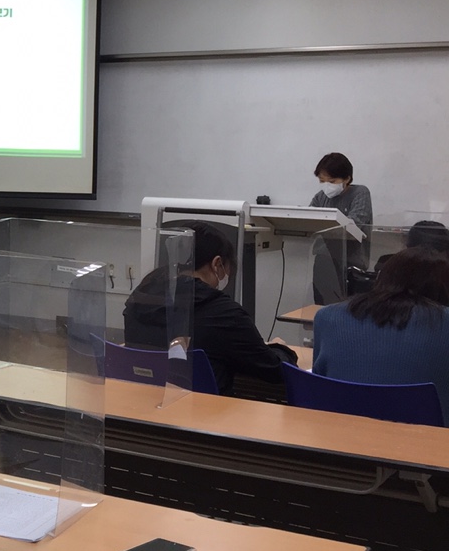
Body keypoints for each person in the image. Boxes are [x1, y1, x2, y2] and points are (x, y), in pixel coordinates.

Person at [123, 221, 299, 395]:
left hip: (144, 403)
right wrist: (280, 349)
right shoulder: (224, 314)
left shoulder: (139, 299)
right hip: (206, 409)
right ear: (217, 264)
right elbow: (275, 371)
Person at [313, 247, 449, 419]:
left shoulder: (326, 317)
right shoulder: (442, 323)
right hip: (427, 434)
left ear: (382, 277)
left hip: (338, 430)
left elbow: (318, 384)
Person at [309, 153, 373, 292]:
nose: (327, 186)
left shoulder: (360, 193)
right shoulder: (320, 197)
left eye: (332, 181)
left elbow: (355, 223)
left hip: (352, 262)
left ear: (347, 178)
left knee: (349, 303)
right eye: (322, 181)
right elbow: (309, 220)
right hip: (323, 259)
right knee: (321, 301)